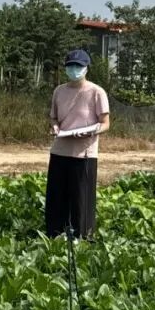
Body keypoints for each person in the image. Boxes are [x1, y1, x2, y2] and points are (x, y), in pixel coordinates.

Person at [45, 49, 110, 239]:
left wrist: (91, 131)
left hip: (84, 153)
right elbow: (54, 118)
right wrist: (55, 127)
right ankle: (55, 235)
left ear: (86, 68)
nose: (74, 69)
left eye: (78, 66)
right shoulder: (59, 91)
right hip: (60, 150)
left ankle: (82, 237)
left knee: (81, 199)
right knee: (56, 197)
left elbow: (105, 123)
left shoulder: (97, 92)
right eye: (70, 66)